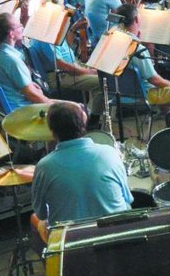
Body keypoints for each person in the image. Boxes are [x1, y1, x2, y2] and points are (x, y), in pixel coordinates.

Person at [29, 102, 131, 242]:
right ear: (83, 125)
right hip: (116, 235)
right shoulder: (110, 152)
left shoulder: (44, 166)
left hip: (73, 242)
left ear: (52, 132)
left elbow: (41, 213)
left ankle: (51, 261)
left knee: (34, 219)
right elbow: (127, 198)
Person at [0, 13, 50, 115]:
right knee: (77, 108)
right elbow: (33, 96)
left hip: (12, 107)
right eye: (19, 25)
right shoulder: (11, 59)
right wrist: (53, 104)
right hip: (22, 110)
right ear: (11, 34)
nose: (22, 27)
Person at [116, 3, 170, 106]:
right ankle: (169, 119)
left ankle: (164, 115)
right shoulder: (137, 48)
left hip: (116, 93)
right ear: (136, 19)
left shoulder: (112, 43)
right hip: (142, 94)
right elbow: (154, 80)